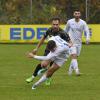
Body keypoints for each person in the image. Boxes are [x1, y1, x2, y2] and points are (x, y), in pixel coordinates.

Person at [26, 17, 71, 84]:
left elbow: (70, 42)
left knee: (52, 68)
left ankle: (48, 78)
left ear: (59, 24)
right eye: (54, 24)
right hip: (49, 49)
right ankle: (32, 77)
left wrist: (69, 45)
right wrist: (36, 48)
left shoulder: (63, 33)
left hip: (58, 51)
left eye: (57, 24)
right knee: (43, 64)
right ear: (51, 24)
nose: (55, 26)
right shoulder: (49, 30)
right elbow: (43, 38)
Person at [64, 9, 90, 76]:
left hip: (79, 43)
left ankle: (69, 71)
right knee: (74, 56)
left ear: (80, 15)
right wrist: (64, 40)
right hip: (71, 42)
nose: (77, 15)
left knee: (74, 57)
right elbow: (65, 31)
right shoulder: (69, 22)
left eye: (78, 13)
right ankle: (77, 71)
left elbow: (87, 31)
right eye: (76, 13)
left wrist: (87, 38)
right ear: (73, 14)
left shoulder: (83, 23)